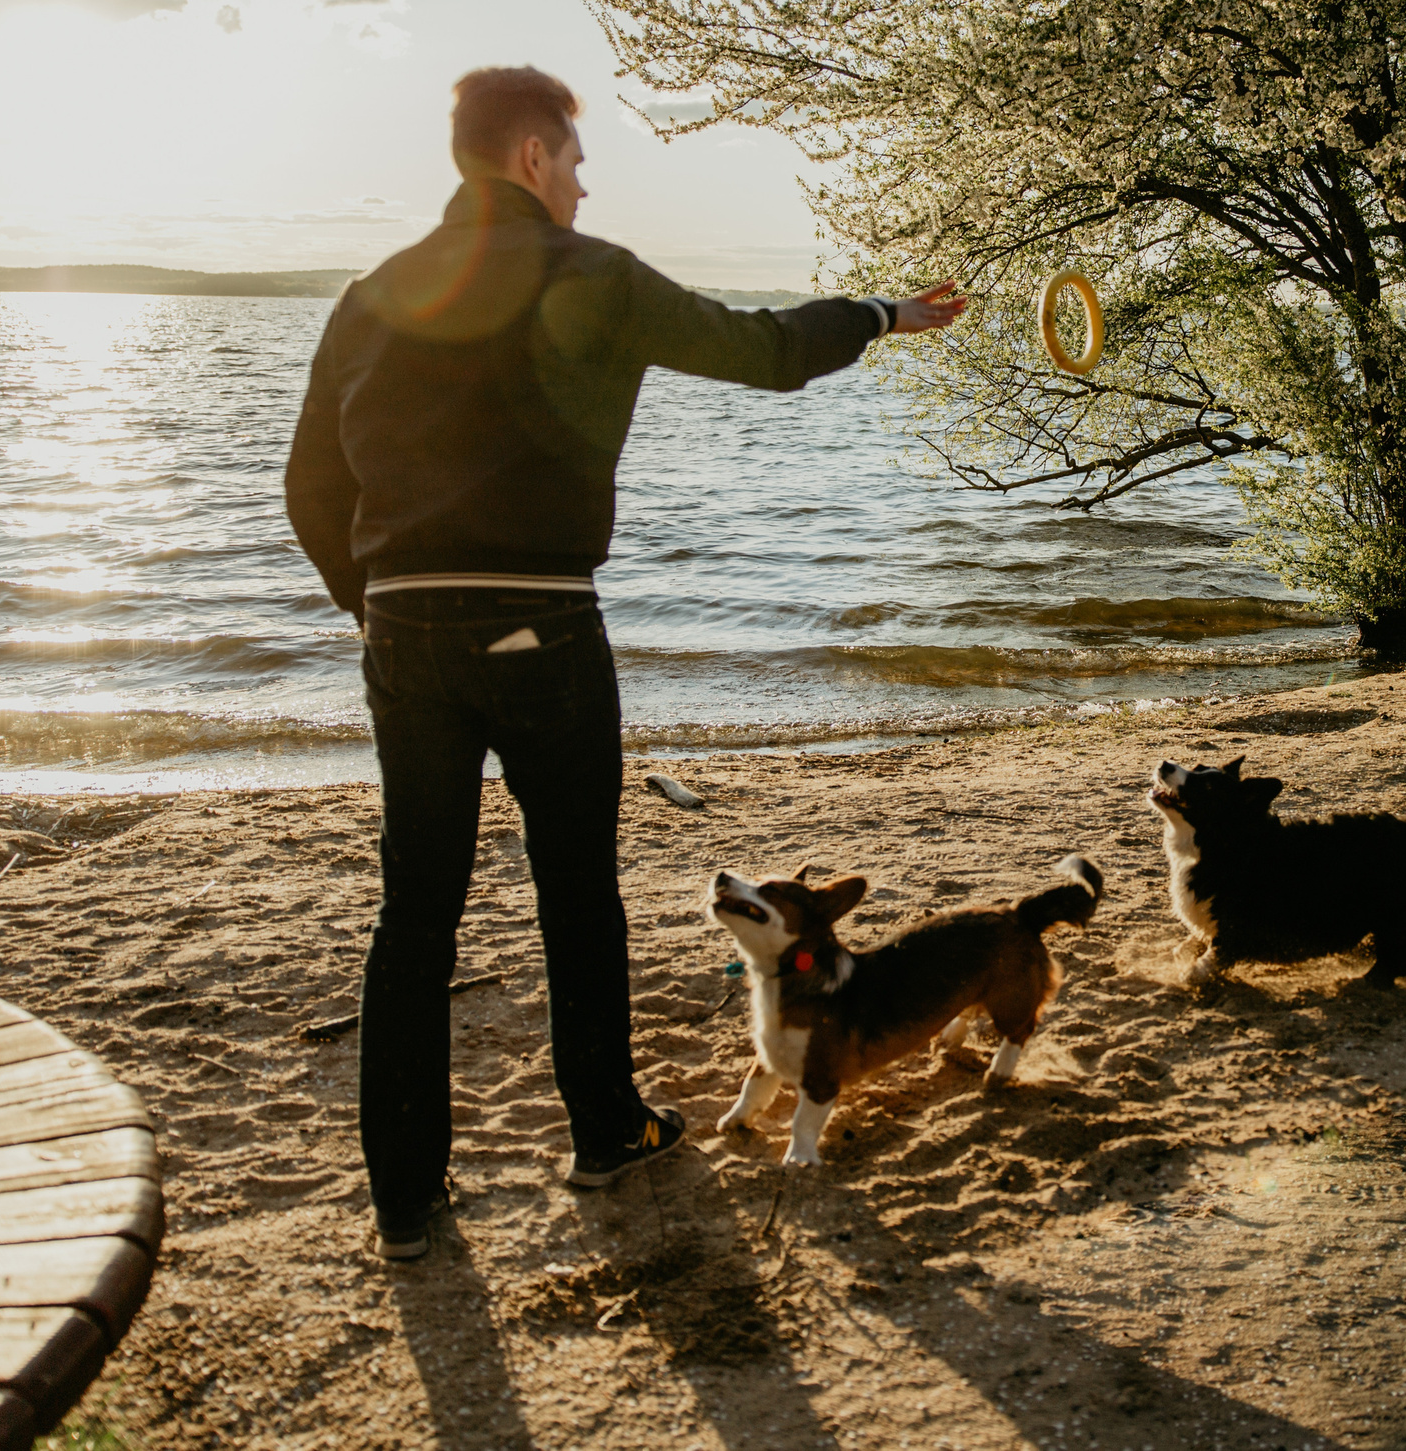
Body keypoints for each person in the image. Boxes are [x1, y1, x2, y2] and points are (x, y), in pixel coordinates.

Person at [284, 65, 963, 1261]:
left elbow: (309, 486)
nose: (585, 190)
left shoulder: (372, 295)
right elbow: (759, 351)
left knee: (416, 912)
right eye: (578, 165)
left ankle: (403, 1195)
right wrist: (879, 315)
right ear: (535, 155)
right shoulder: (586, 274)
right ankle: (603, 1133)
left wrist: (377, 611)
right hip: (542, 624)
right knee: (575, 894)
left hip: (407, 631)